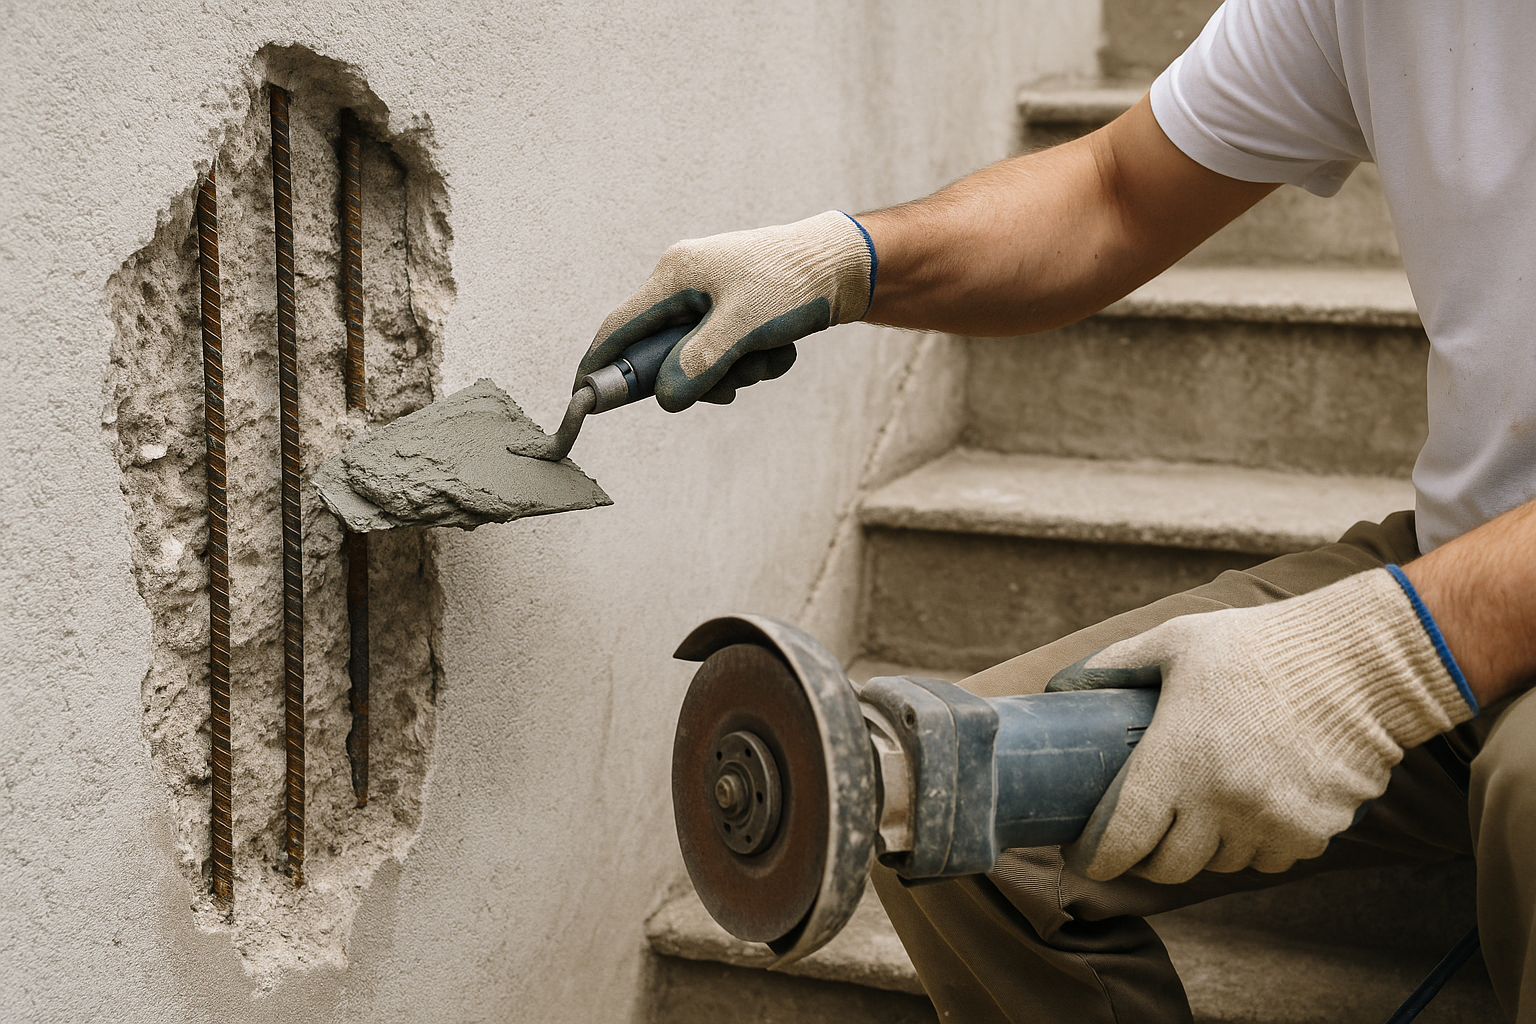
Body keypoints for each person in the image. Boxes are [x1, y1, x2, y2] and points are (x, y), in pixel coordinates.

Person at [580, 0, 1536, 1019]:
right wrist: (845, 258)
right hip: (1459, 552)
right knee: (942, 789)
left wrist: (1384, 658)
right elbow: (1116, 192)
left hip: (1441, 619)